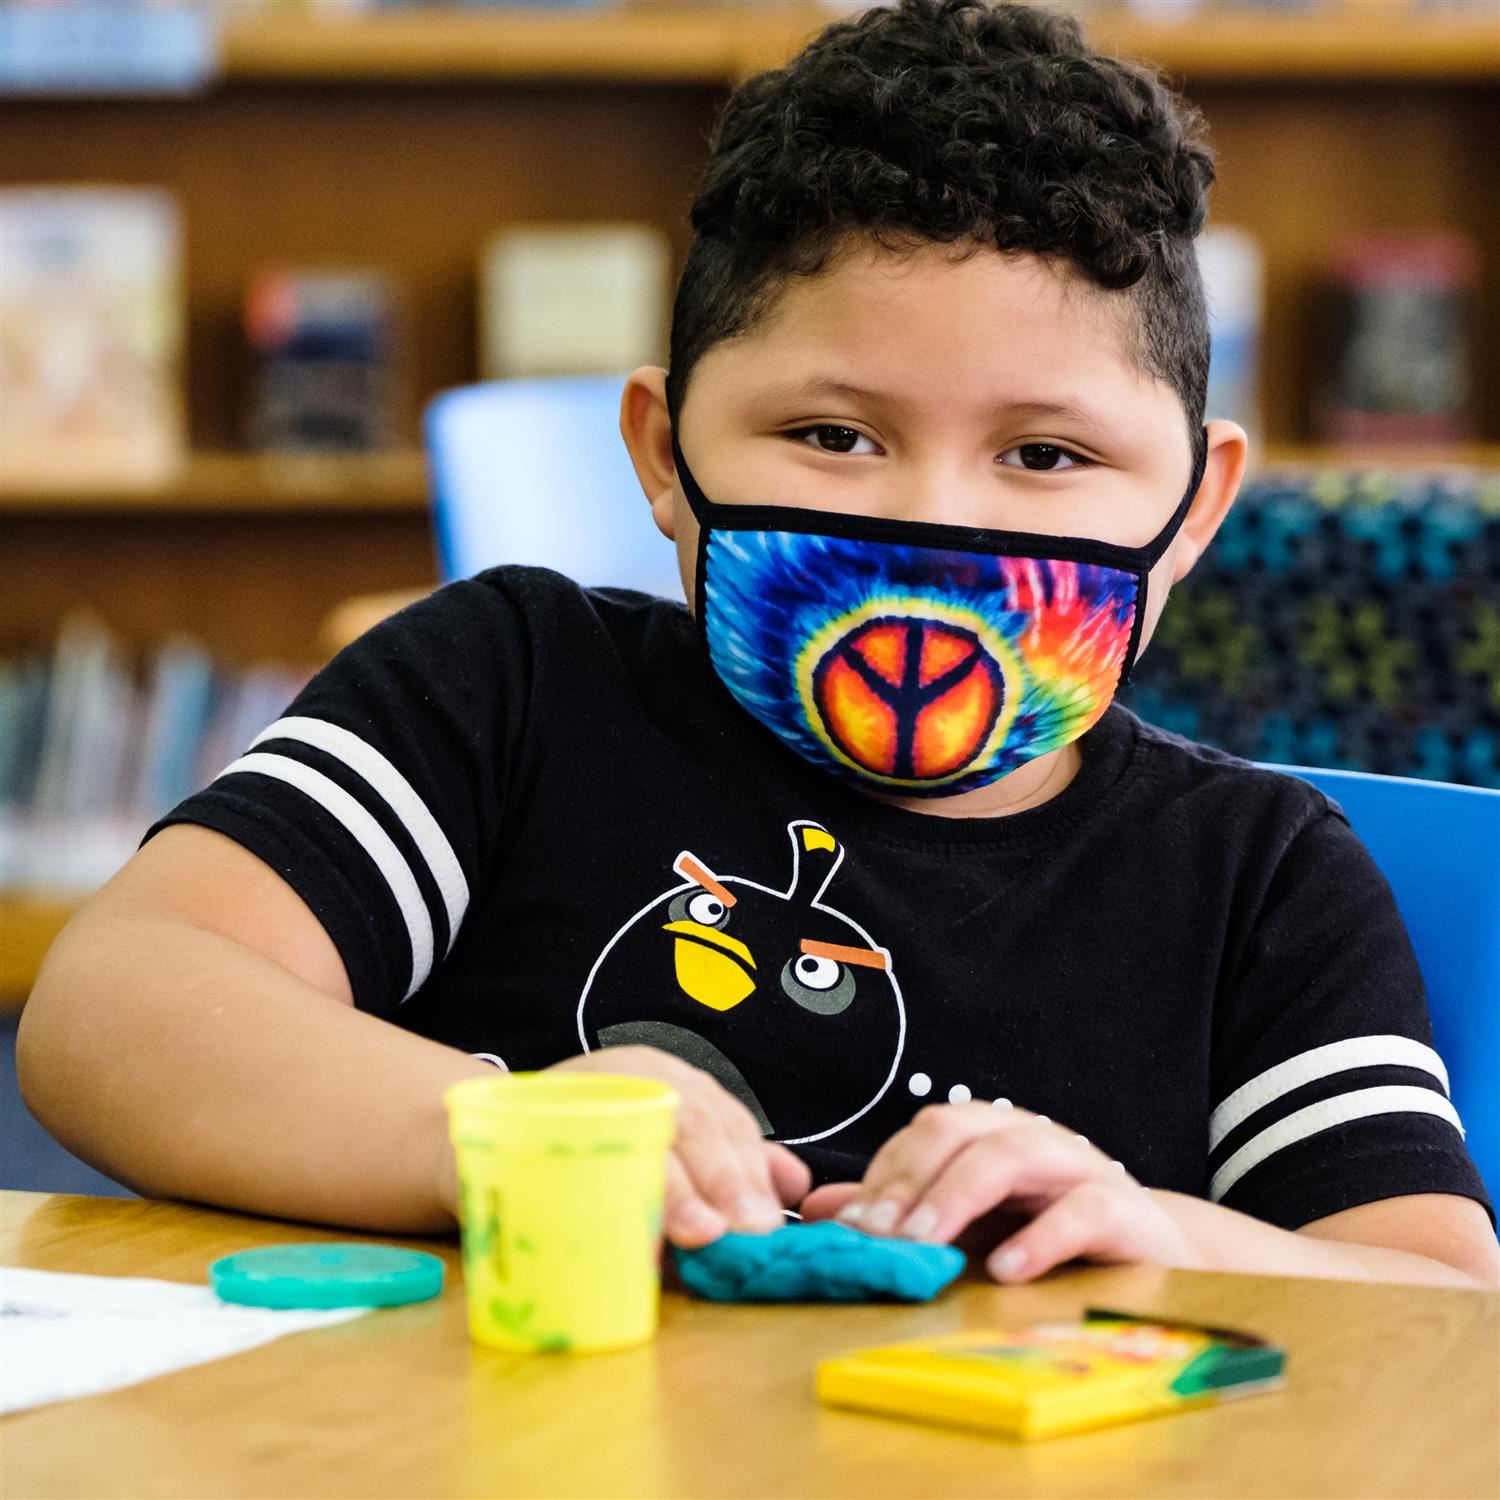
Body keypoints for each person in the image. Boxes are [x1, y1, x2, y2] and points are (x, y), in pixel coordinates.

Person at [19, 0, 1495, 1288]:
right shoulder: (506, 686)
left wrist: (1159, 1228)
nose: (935, 530)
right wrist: (493, 1129)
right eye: (833, 434)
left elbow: (1431, 1294)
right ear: (665, 454)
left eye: (1045, 457)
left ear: (1193, 508)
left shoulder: (1258, 875)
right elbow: (110, 1011)